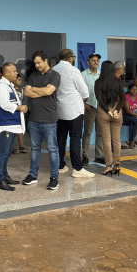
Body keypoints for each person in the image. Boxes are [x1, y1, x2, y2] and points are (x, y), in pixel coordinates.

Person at [22, 50, 61, 190]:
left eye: (39, 62)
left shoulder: (55, 75)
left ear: (46, 61)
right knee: (34, 148)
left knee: (52, 149)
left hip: (49, 119)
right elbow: (27, 92)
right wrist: (42, 90)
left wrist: (35, 89)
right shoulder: (33, 75)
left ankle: (54, 178)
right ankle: (33, 175)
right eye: (35, 63)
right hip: (33, 119)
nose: (37, 65)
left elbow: (48, 92)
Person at [53, 48, 93, 178]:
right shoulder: (73, 70)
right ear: (70, 58)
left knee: (61, 137)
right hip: (74, 110)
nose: (74, 59)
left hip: (59, 110)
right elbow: (85, 92)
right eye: (74, 57)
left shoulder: (53, 70)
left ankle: (60, 165)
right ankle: (77, 168)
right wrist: (81, 101)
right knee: (75, 138)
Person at [0, 62, 26, 191]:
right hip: (4, 124)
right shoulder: (1, 86)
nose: (16, 73)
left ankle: (4, 176)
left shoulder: (9, 85)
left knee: (7, 153)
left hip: (11, 124)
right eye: (14, 71)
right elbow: (5, 104)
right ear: (6, 73)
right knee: (2, 153)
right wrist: (20, 108)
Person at [95, 64, 123, 175]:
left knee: (106, 141)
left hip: (103, 111)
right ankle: (117, 164)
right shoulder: (117, 82)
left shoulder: (98, 82)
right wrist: (116, 111)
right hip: (116, 110)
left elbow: (99, 99)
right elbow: (123, 99)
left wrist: (108, 111)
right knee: (116, 140)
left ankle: (108, 166)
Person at [81, 54, 101, 164]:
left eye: (97, 60)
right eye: (93, 60)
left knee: (100, 133)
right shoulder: (83, 75)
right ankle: (85, 155)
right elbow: (78, 91)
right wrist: (84, 104)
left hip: (101, 108)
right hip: (90, 107)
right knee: (87, 132)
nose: (96, 62)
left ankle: (99, 155)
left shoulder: (101, 75)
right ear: (88, 62)